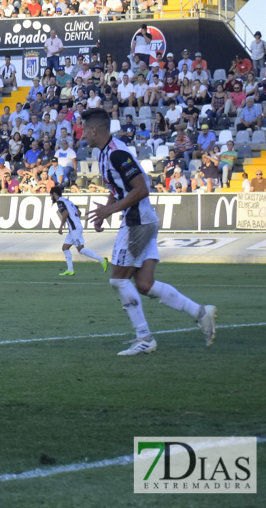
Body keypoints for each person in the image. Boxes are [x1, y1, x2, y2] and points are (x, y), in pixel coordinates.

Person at [80, 108, 216, 356]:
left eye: (83, 128)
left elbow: (141, 188)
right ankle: (200, 312)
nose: (82, 133)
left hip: (137, 222)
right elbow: (119, 188)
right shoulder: (107, 152)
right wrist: (106, 211)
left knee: (119, 280)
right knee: (144, 284)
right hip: (144, 220)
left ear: (93, 130)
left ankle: (144, 337)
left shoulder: (117, 154)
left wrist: (110, 212)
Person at [50, 185, 107, 276]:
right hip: (74, 228)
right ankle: (70, 270)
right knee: (65, 248)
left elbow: (65, 213)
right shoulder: (67, 201)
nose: (51, 197)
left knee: (81, 250)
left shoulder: (60, 202)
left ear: (54, 194)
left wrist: (61, 226)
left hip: (74, 228)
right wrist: (76, 221)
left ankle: (102, 260)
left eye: (51, 195)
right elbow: (79, 212)